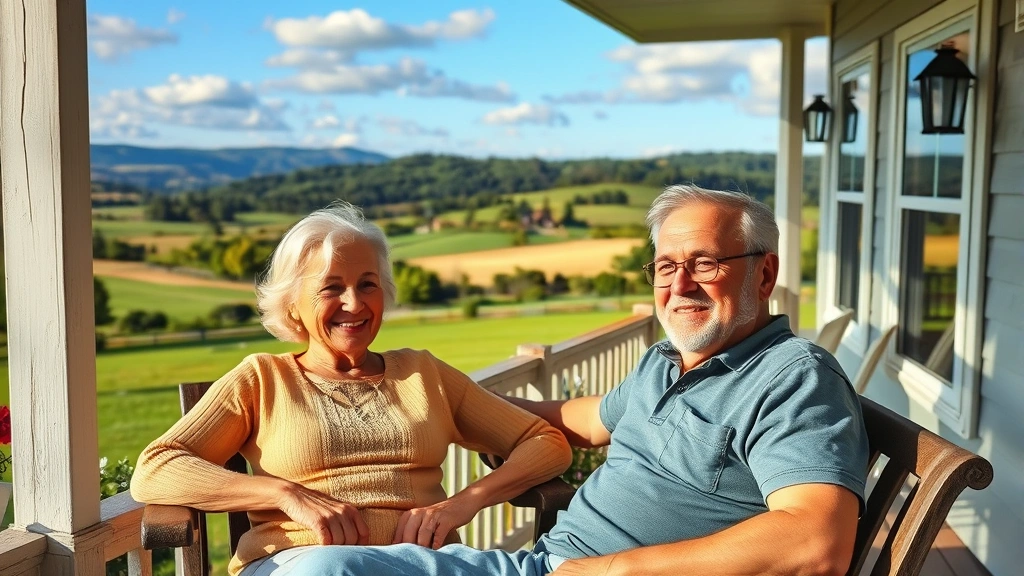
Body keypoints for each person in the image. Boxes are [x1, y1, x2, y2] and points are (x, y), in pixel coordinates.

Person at [288, 184, 869, 576]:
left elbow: (816, 541)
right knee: (322, 567)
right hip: (541, 564)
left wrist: (607, 571)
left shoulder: (794, 378)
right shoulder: (666, 362)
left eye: (705, 263)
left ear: (764, 274)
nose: (680, 285)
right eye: (666, 267)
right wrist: (442, 398)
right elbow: (585, 419)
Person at [129, 201, 572, 576]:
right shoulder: (262, 379)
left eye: (368, 285)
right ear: (293, 306)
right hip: (305, 562)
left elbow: (545, 442)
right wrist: (286, 494)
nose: (354, 304)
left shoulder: (423, 373)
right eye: (331, 289)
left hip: (418, 564)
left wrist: (461, 504)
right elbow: (156, 468)